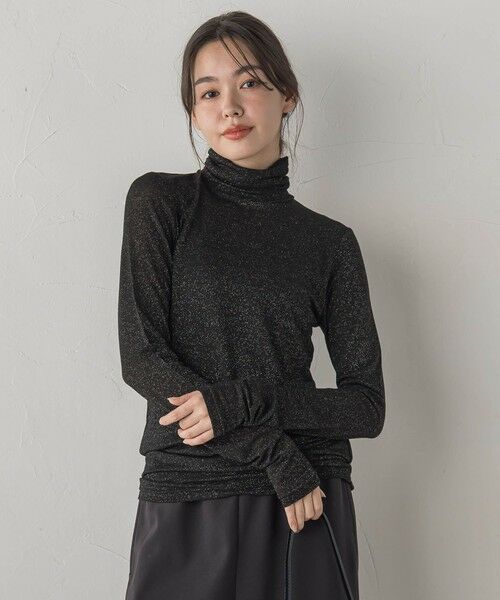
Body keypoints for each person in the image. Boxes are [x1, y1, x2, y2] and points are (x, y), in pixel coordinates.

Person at [118, 10, 385, 600]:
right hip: (198, 490)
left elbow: (366, 407)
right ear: (193, 112)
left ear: (287, 96)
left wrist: (244, 405)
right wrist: (272, 453)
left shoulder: (330, 243)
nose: (230, 108)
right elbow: (142, 359)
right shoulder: (160, 203)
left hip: (306, 504)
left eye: (250, 83)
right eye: (209, 93)